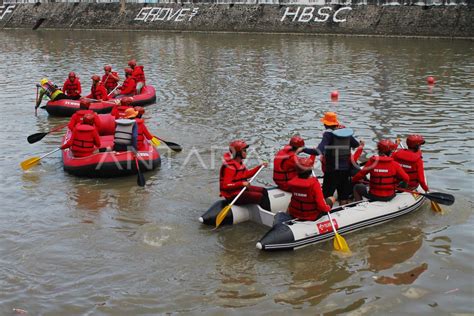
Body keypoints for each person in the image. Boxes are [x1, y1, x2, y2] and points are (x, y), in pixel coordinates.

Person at [303, 112, 360, 205]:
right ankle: (344, 212)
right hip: (345, 170)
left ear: (326, 124)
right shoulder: (346, 133)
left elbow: (318, 151)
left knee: (326, 195)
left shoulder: (328, 135)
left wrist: (303, 149)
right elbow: (356, 144)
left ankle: (324, 212)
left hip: (332, 171)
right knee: (343, 196)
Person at [273, 157, 335, 225]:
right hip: (312, 216)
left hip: (295, 213)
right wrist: (327, 208)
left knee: (292, 202)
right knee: (331, 198)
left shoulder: (293, 182)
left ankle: (288, 217)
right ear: (310, 171)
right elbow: (321, 206)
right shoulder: (314, 184)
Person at [219, 140, 270, 210]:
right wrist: (242, 184)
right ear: (238, 153)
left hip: (240, 190)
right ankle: (266, 216)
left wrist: (260, 166)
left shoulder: (239, 163)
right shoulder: (230, 167)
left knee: (264, 190)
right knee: (260, 196)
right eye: (244, 151)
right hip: (232, 196)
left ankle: (266, 211)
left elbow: (247, 174)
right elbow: (226, 185)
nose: (246, 152)